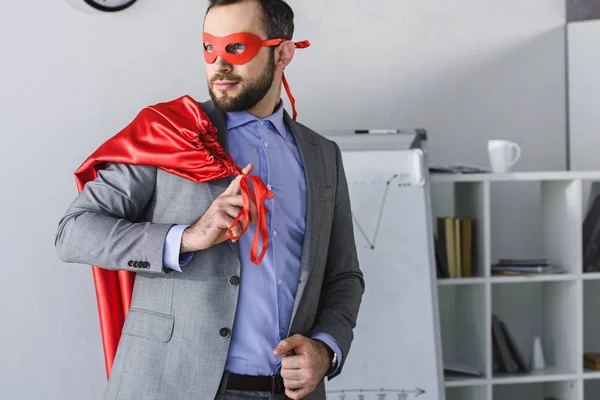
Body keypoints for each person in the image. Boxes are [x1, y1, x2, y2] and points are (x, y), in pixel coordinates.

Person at [54, 0, 364, 399]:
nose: (219, 64)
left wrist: (327, 347)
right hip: (172, 386)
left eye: (236, 47)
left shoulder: (323, 156)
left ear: (283, 53)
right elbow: (73, 232)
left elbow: (343, 276)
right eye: (208, 48)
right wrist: (186, 238)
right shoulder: (170, 133)